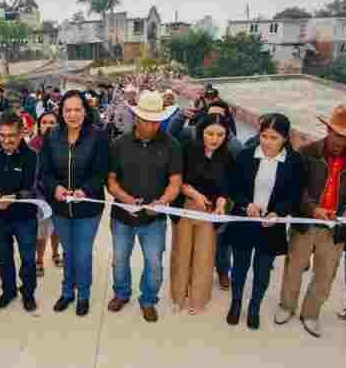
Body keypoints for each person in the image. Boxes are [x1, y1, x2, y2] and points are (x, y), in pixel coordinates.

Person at [277, 105, 346, 337]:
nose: (339, 140)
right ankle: (286, 306)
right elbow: (296, 187)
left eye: (345, 136)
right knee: (294, 267)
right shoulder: (306, 152)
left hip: (336, 227)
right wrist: (312, 208)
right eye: (336, 133)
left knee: (325, 273)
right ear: (328, 129)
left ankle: (311, 314)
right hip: (306, 221)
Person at [107, 90, 183, 323]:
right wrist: (125, 198)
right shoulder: (119, 144)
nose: (150, 126)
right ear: (136, 117)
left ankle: (149, 299)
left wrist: (162, 203)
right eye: (145, 120)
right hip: (122, 216)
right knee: (120, 258)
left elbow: (175, 182)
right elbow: (110, 181)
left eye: (155, 122)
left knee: (154, 263)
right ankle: (121, 293)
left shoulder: (172, 146)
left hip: (154, 220)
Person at [227, 113, 305, 330]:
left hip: (271, 225)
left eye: (274, 138)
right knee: (240, 267)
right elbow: (234, 187)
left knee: (262, 271)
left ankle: (254, 308)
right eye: (264, 136)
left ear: (285, 139)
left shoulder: (294, 161)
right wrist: (246, 205)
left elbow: (294, 195)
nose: (267, 142)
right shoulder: (245, 155)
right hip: (244, 219)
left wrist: (277, 213)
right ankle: (235, 304)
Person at [38, 90, 109, 316]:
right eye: (67, 109)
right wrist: (55, 188)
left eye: (78, 109)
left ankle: (84, 295)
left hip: (88, 207)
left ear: (85, 111)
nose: (72, 114)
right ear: (61, 112)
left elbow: (101, 172)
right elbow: (45, 172)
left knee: (83, 252)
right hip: (60, 207)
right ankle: (67, 291)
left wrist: (85, 190)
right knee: (68, 251)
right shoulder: (51, 136)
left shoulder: (98, 136)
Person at [169, 113, 233, 314]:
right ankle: (178, 298)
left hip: (209, 214)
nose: (215, 139)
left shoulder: (227, 157)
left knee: (204, 258)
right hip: (186, 208)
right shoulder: (187, 150)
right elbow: (177, 180)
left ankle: (198, 300)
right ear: (201, 132)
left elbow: (226, 189)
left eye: (220, 135)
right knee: (181, 255)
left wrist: (222, 203)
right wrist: (194, 194)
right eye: (210, 133)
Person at [0, 111, 40, 312]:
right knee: (3, 258)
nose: (6, 140)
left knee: (28, 259)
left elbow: (34, 189)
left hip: (24, 218)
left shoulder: (31, 156)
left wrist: (13, 198)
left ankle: (28, 292)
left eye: (11, 136)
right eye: (2, 136)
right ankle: (8, 291)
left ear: (21, 133)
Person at [29, 111, 61, 275]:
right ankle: (39, 260)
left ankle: (56, 254)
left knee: (57, 229)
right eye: (44, 122)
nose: (48, 126)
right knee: (41, 231)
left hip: (60, 195)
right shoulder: (32, 146)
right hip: (40, 196)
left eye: (52, 122)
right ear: (39, 125)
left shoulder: (64, 143)